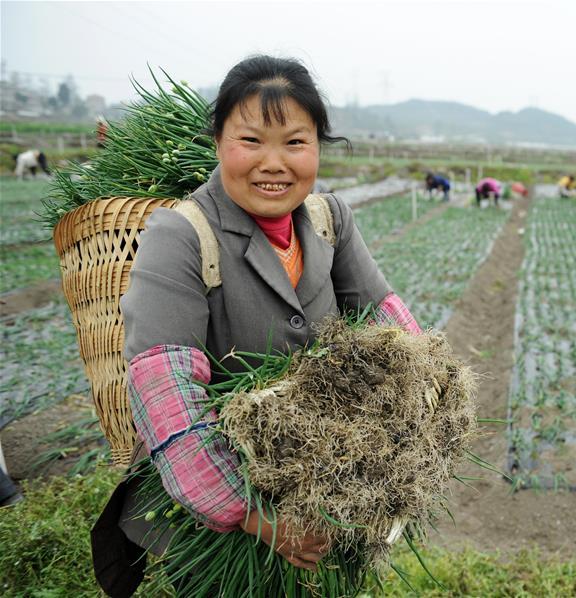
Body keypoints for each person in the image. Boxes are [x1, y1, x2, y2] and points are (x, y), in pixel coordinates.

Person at [92, 55, 424, 594]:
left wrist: (426, 397)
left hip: (321, 488)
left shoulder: (328, 219)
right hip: (221, 507)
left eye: (295, 142)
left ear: (318, 145)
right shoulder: (180, 234)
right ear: (218, 141)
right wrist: (255, 518)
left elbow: (389, 320)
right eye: (251, 140)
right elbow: (167, 394)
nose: (274, 163)